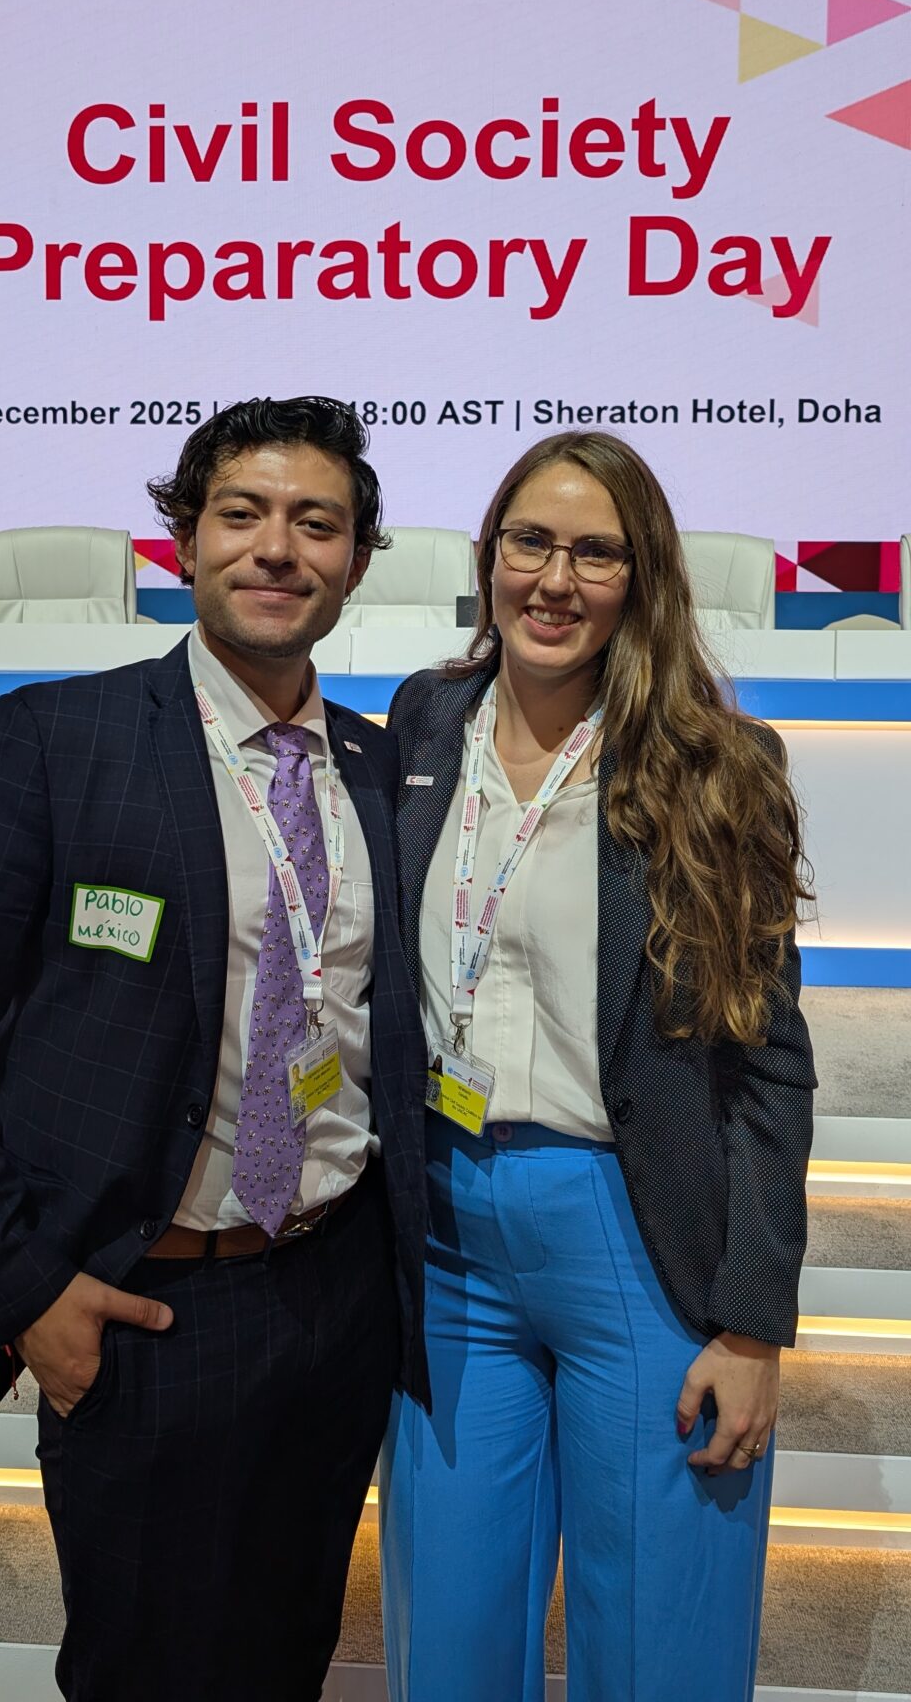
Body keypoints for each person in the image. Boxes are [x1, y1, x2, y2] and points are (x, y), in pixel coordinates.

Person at [0, 396, 429, 1702]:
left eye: (317, 522)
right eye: (243, 513)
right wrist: (26, 1290)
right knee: (141, 1670)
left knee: (286, 1655)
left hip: (335, 1297)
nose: (278, 546)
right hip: (144, 1307)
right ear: (185, 539)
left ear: (354, 560)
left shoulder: (379, 767)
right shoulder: (59, 740)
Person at [380, 430, 815, 1702]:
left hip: (636, 1231)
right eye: (531, 541)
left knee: (656, 1651)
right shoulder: (424, 718)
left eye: (596, 552)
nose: (555, 578)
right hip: (447, 1237)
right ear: (490, 556)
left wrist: (753, 1321)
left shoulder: (717, 766)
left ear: (644, 577)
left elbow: (771, 1066)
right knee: (448, 1640)